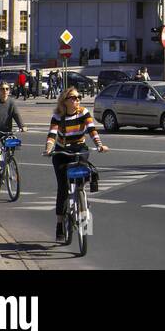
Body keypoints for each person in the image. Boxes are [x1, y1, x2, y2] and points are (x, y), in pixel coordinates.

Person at [43, 87, 109, 242]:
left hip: (79, 149)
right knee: (63, 188)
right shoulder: (58, 116)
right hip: (62, 153)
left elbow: (92, 130)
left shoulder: (83, 112)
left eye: (79, 97)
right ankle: (60, 223)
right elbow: (52, 134)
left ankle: (82, 199)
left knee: (85, 173)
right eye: (73, 98)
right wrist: (48, 148)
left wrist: (100, 145)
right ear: (65, 101)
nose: (77, 100)